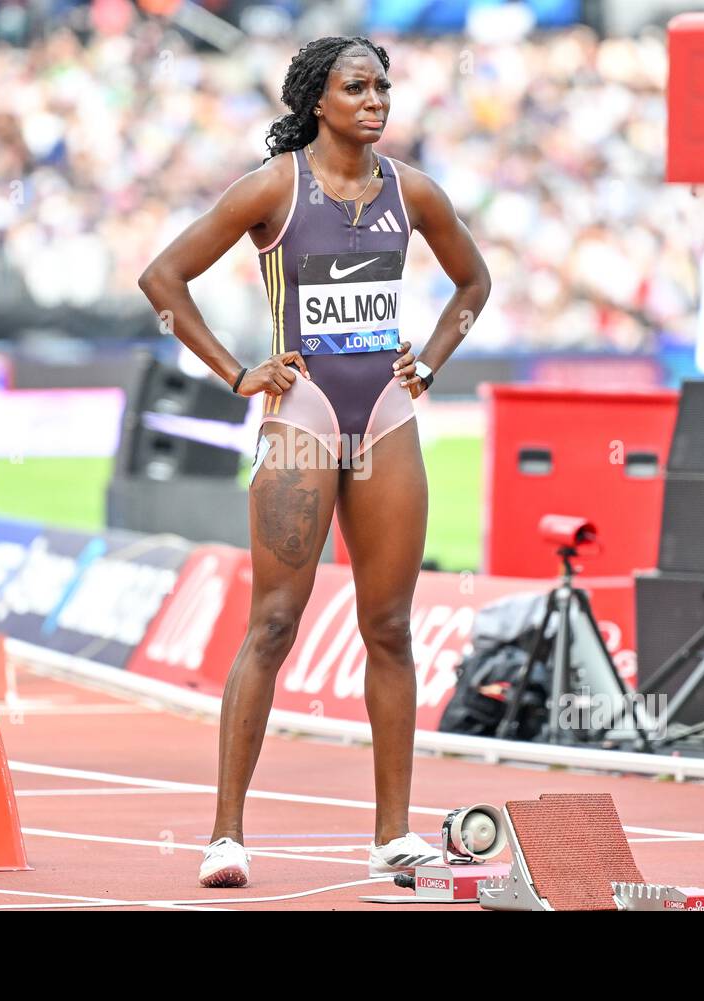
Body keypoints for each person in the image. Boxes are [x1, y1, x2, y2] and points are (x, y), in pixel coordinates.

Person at [139, 36, 491, 887]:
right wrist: (237, 373)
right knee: (273, 624)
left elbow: (472, 283)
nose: (376, 100)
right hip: (301, 416)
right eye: (357, 87)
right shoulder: (275, 187)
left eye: (384, 86)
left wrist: (433, 360)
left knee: (392, 628)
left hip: (389, 417)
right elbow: (163, 277)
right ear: (316, 100)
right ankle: (225, 834)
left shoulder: (413, 192)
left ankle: (393, 831)